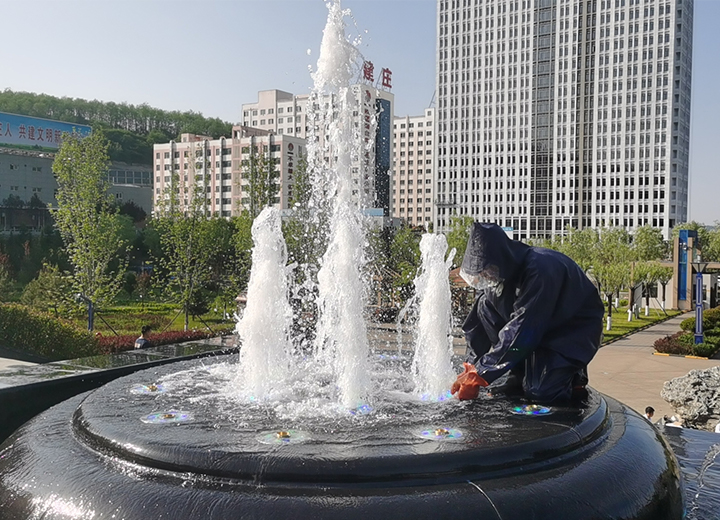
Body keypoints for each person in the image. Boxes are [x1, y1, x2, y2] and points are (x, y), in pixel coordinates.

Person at [451, 223, 605, 403]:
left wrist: (481, 373)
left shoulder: (540, 270)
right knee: (485, 305)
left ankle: (573, 375)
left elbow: (523, 329)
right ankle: (520, 371)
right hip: (537, 326)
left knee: (541, 392)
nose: (485, 276)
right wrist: (471, 368)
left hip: (571, 330)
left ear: (500, 260)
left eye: (486, 270)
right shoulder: (497, 274)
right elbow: (476, 325)